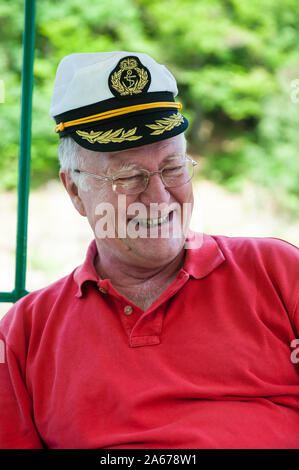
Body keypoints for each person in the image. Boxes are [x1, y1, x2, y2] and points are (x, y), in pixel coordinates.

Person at [0, 51, 298, 450]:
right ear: (75, 190)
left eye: (173, 168)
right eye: (129, 176)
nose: (158, 196)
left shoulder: (278, 273)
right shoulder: (25, 333)